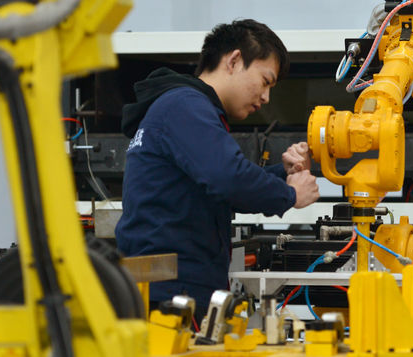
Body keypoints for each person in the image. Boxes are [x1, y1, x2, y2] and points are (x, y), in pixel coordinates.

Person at [115, 19, 320, 320]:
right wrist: (289, 193)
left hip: (172, 292)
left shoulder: (181, 106)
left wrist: (282, 174)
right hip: (171, 297)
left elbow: (214, 183)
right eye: (266, 81)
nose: (266, 98)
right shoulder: (185, 105)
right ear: (234, 61)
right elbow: (228, 177)